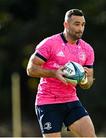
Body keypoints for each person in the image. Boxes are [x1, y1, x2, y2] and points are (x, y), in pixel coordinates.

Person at [26, 9, 96, 137]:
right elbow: (30, 69)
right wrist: (54, 73)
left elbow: (89, 82)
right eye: (76, 24)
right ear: (66, 24)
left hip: (71, 100)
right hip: (48, 102)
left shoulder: (88, 50)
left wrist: (84, 80)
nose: (80, 28)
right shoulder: (50, 43)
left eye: (83, 24)